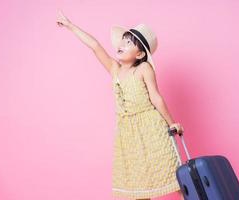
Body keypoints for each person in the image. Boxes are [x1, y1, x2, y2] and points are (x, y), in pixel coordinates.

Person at [56, 10, 185, 200]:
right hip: (127, 132)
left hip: (151, 125)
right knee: (138, 182)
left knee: (174, 174)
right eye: (123, 41)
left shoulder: (143, 68)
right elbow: (94, 45)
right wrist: (70, 26)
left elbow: (156, 97)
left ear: (140, 53)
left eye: (129, 43)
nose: (122, 44)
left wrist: (172, 123)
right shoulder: (114, 69)